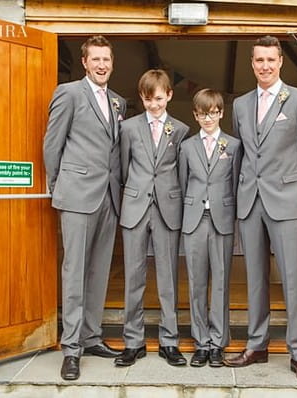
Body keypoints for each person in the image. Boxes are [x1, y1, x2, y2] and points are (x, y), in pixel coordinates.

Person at [223, 35, 297, 384]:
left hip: (288, 202)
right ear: (251, 64)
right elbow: (244, 155)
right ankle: (257, 344)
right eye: (258, 60)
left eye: (270, 59)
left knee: (292, 279)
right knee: (254, 278)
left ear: (280, 62)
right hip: (251, 202)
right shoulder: (240, 104)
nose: (264, 66)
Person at [43, 35, 126, 381]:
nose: (102, 65)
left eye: (106, 59)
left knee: (99, 270)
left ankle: (91, 337)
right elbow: (52, 144)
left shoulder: (119, 102)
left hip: (109, 196)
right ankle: (71, 347)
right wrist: (57, 185)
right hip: (77, 195)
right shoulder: (69, 93)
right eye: (96, 59)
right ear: (84, 62)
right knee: (74, 271)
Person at [114, 69, 189, 367]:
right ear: (141, 98)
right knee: (133, 276)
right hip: (135, 206)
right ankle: (133, 341)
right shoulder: (129, 128)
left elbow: (182, 173)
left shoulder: (181, 130)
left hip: (167, 209)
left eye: (158, 98)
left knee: (168, 277)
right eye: (147, 99)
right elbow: (122, 168)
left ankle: (169, 341)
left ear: (169, 95)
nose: (154, 105)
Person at [179, 89, 242, 367]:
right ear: (195, 114)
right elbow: (182, 182)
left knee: (221, 281)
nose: (208, 118)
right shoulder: (186, 146)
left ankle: (218, 342)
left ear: (221, 113)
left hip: (222, 218)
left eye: (213, 112)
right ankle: (200, 342)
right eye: (203, 113)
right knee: (196, 283)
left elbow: (236, 182)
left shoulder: (233, 145)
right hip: (194, 219)